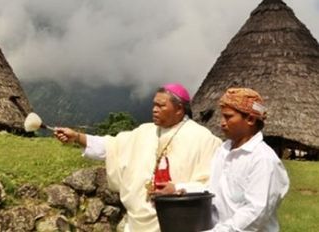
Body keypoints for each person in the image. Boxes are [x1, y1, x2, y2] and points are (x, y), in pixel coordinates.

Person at [54, 83, 222, 231]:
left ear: (179, 109)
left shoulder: (203, 139)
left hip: (177, 222)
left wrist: (178, 188)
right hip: (136, 224)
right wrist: (76, 137)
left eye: (161, 106)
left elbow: (211, 184)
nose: (154, 109)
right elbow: (112, 146)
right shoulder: (144, 132)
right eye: (154, 105)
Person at [207, 88, 289, 231]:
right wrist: (179, 189)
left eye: (228, 117)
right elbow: (212, 189)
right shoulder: (223, 150)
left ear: (250, 119)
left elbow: (255, 212)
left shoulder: (263, 159)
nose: (222, 123)